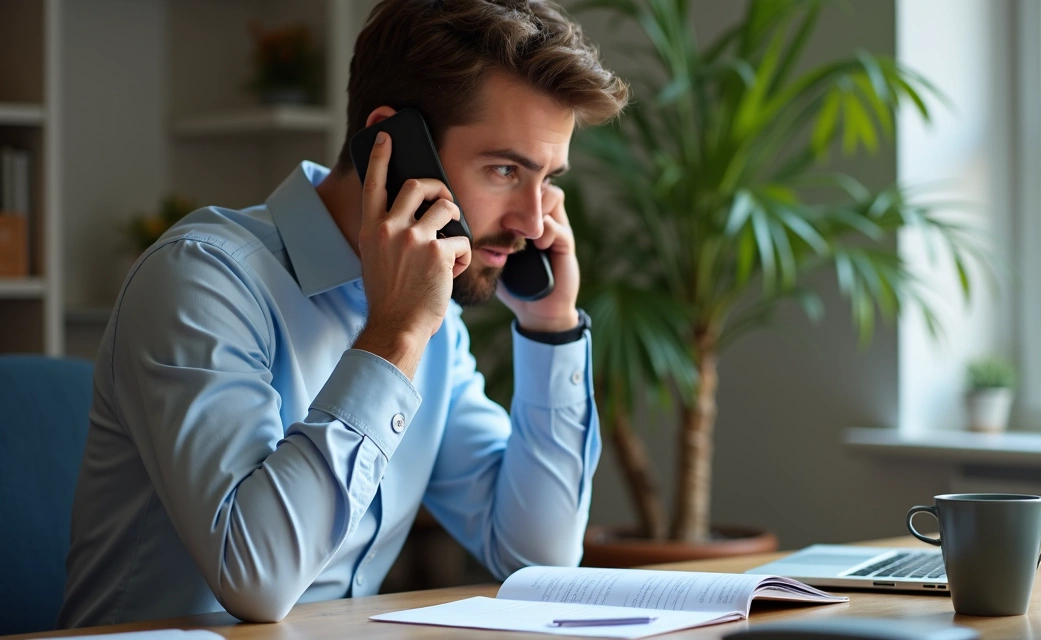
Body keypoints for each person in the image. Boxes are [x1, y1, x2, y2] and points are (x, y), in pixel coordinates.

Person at [58, 0, 628, 627]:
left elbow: (534, 554)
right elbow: (255, 578)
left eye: (548, 179)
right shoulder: (201, 280)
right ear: (393, 145)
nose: (534, 220)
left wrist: (551, 328)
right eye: (503, 170)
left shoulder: (431, 319)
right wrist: (395, 336)